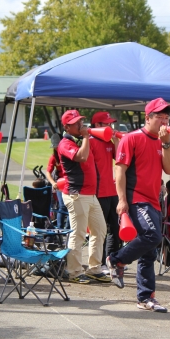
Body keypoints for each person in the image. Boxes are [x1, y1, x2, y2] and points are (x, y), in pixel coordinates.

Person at [106, 97, 170, 313]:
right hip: (137, 198)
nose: (164, 121)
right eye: (160, 117)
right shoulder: (132, 138)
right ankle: (116, 260)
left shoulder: (163, 141)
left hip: (154, 200)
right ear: (148, 118)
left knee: (150, 252)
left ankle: (146, 297)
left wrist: (166, 144)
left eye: (167, 117)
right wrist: (122, 200)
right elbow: (120, 171)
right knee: (152, 236)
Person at [57, 109, 109, 284]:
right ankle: (74, 271)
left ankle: (95, 267)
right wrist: (87, 137)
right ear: (66, 127)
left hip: (90, 194)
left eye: (81, 121)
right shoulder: (65, 143)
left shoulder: (79, 140)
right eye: (76, 123)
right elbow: (82, 157)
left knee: (100, 230)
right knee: (79, 234)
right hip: (77, 194)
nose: (81, 124)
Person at [89, 111, 121, 273]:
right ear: (96, 125)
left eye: (110, 123)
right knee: (100, 230)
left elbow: (119, 158)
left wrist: (115, 139)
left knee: (115, 229)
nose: (110, 126)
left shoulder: (108, 141)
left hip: (112, 191)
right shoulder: (90, 141)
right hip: (97, 193)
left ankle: (112, 260)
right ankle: (99, 263)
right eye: (106, 124)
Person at [45, 133, 69, 229]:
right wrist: (53, 183)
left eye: (57, 146)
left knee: (71, 207)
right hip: (60, 184)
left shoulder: (68, 153)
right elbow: (48, 173)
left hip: (71, 183)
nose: (56, 149)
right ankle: (59, 230)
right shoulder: (54, 157)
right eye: (55, 147)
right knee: (62, 206)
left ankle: (67, 229)